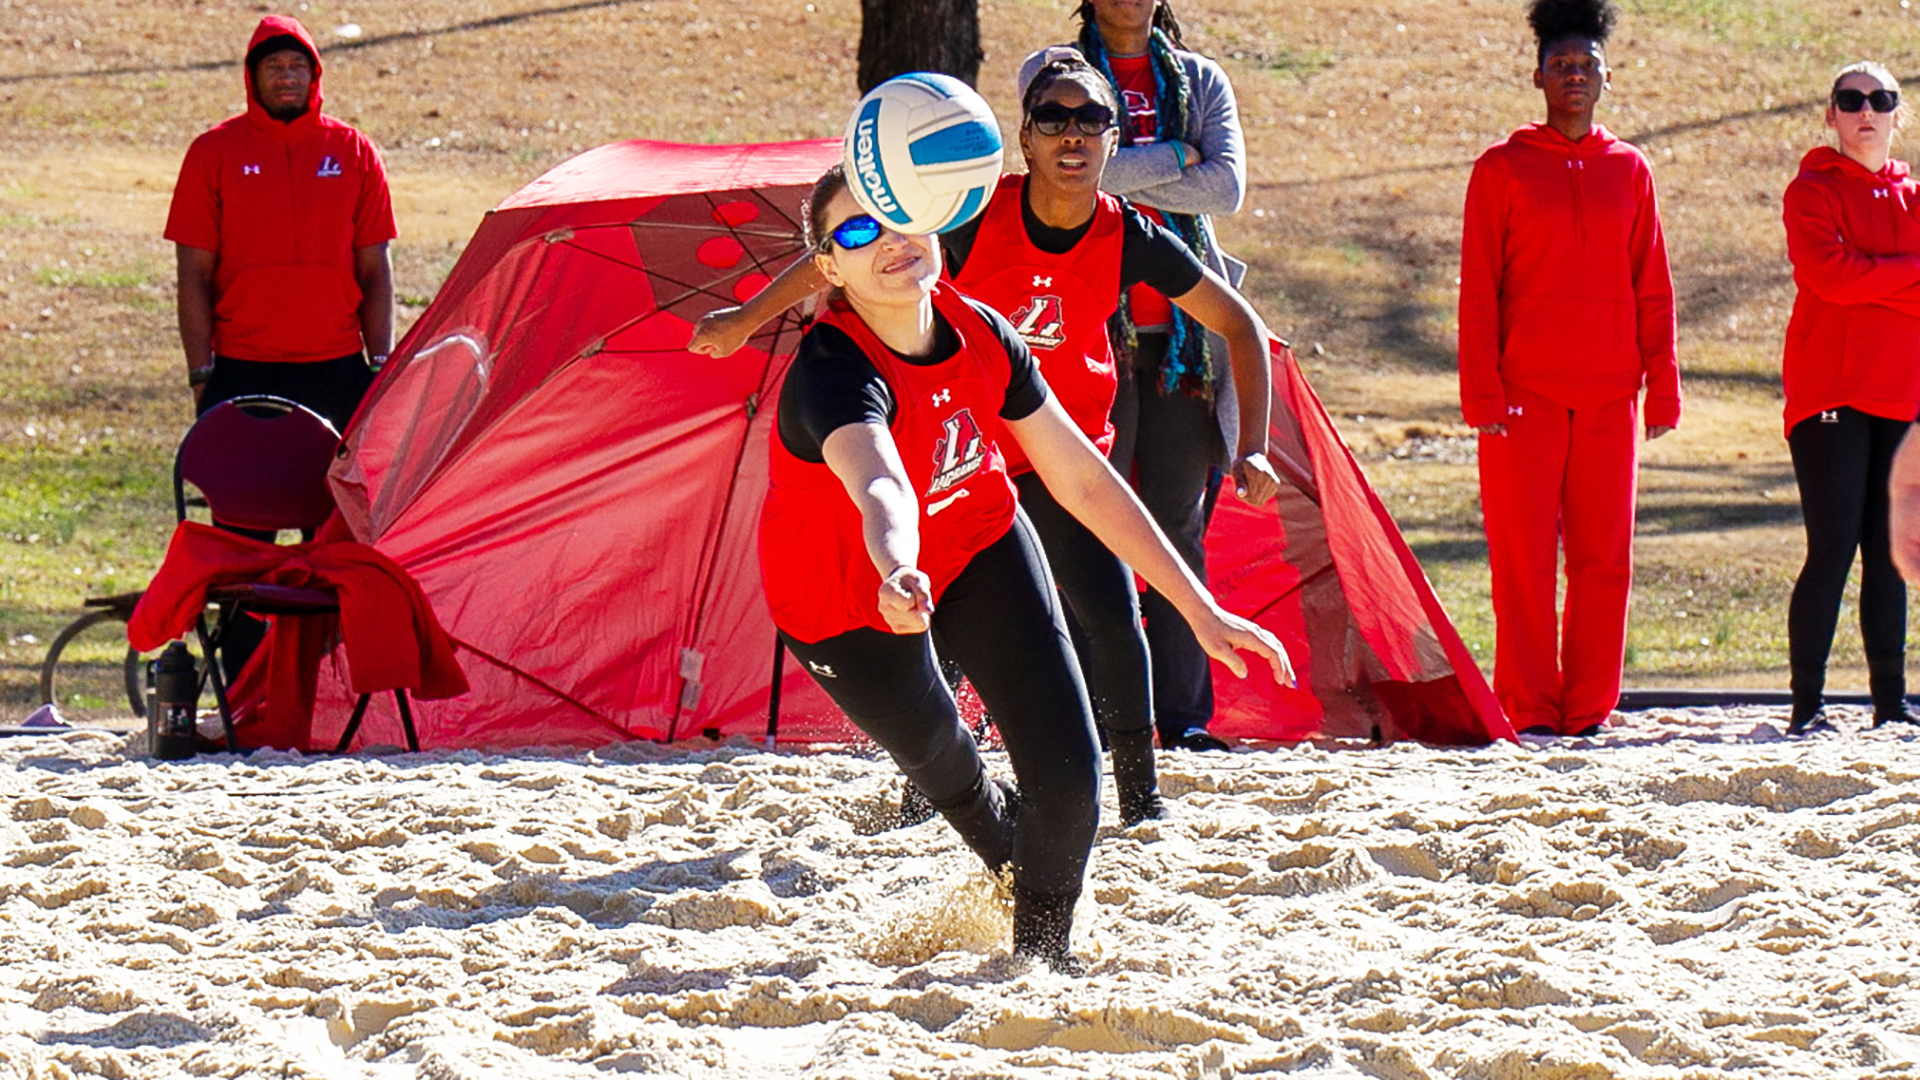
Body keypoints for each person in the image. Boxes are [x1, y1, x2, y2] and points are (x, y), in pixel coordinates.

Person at [693, 59, 1283, 820]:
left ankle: (1140, 799)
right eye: (1053, 118)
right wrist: (744, 320)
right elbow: (850, 246)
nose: (1073, 132)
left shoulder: (1128, 234)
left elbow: (1241, 324)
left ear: (1113, 142)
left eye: (1091, 119)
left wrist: (1254, 443)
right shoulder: (967, 216)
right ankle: (926, 794)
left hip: (1060, 455)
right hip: (967, 464)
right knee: (940, 625)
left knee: (1111, 614)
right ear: (1025, 141)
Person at [758, 163, 1290, 972]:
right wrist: (897, 566)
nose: (890, 240)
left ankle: (1039, 965)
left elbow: (1082, 478)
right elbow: (879, 482)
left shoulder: (983, 330)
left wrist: (1199, 610)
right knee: (948, 765)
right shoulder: (831, 373)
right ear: (829, 267)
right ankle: (1012, 865)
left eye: (899, 215)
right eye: (859, 231)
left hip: (978, 543)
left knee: (1073, 785)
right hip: (850, 603)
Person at [1017, 1, 1252, 751]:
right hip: (1087, 335)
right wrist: (1179, 157)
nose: (1073, 127)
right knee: (1091, 526)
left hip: (1181, 346)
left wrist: (1124, 177)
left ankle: (1181, 716)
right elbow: (1072, 174)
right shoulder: (1051, 70)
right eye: (1062, 121)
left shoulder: (1204, 81)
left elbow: (1227, 190)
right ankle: (1096, 709)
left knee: (1179, 524)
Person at [1457, 0, 1679, 738]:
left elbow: (1653, 282)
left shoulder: (1631, 170)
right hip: (1524, 396)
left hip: (1612, 396)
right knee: (1521, 561)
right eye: (1561, 66)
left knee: (1603, 561)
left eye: (1586, 65)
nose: (1574, 76)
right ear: (1538, 77)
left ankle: (1589, 706)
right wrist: (1482, 390)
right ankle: (1527, 702)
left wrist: (1662, 387)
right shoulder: (1501, 169)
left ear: (1606, 76)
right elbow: (1479, 286)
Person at [166, 14, 395, 436]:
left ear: (314, 75)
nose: (286, 77)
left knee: (339, 502)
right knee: (243, 501)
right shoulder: (211, 154)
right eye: (273, 67)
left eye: (297, 65)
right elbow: (193, 275)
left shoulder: (354, 152)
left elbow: (375, 270)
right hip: (242, 368)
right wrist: (201, 374)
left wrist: (380, 365)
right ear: (252, 77)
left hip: (338, 368)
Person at [1780, 61, 1920, 734]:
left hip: (1903, 396)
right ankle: (1808, 707)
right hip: (1829, 395)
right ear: (1831, 115)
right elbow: (1830, 278)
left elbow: (1854, 277)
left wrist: (1874, 277)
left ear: (1898, 114)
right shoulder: (1810, 191)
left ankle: (1891, 708)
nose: (1867, 109)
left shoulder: (1916, 197)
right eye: (1851, 99)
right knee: (1832, 546)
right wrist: (1910, 277)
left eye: (1881, 99)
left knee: (1890, 552)